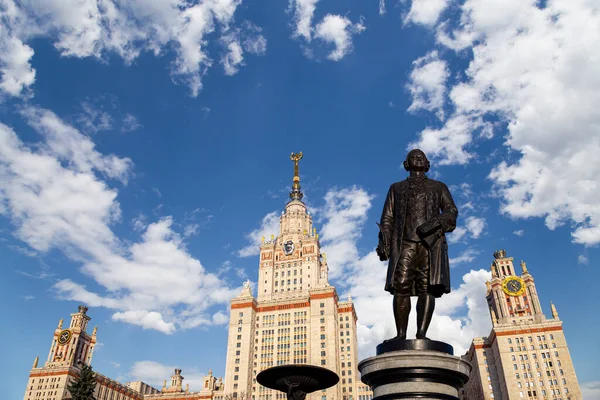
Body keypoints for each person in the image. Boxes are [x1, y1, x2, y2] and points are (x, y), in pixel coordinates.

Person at [376, 149, 458, 341]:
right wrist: (384, 242)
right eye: (414, 156)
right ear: (407, 163)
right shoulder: (396, 188)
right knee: (401, 285)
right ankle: (401, 335)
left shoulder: (438, 187)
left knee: (426, 287)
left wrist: (434, 225)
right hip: (404, 243)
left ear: (427, 163)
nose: (418, 158)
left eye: (422, 156)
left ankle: (421, 334)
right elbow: (387, 217)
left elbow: (451, 210)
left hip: (430, 244)